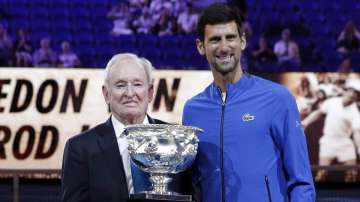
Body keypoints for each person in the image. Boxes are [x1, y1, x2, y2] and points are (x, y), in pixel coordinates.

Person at [182, 3, 315, 202]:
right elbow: (193, 182)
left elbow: (302, 182)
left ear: (242, 41)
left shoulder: (278, 98)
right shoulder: (192, 110)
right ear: (201, 46)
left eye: (231, 37)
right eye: (215, 39)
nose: (224, 47)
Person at [61, 53, 190, 202]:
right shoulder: (80, 148)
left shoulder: (176, 138)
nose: (130, 93)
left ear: (150, 93)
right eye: (120, 85)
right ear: (106, 94)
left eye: (137, 84)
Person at [302, 78, 360, 182]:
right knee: (321, 174)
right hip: (328, 141)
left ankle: (350, 198)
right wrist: (305, 122)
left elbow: (357, 133)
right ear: (347, 90)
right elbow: (319, 113)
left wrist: (359, 149)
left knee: (352, 174)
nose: (352, 94)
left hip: (345, 143)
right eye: (351, 91)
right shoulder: (332, 102)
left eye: (356, 93)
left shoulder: (355, 113)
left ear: (357, 97)